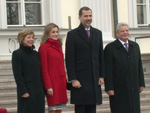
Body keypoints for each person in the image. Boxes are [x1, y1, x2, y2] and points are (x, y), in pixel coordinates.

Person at [65, 6, 105, 113]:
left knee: (92, 109)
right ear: (80, 17)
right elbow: (69, 59)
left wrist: (101, 75)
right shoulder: (72, 35)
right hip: (80, 80)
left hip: (94, 78)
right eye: (85, 16)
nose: (88, 18)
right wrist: (73, 79)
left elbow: (101, 55)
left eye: (90, 15)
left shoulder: (98, 33)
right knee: (81, 109)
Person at [104, 22, 145, 113]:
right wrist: (109, 87)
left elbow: (139, 65)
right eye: (122, 31)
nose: (125, 32)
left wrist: (141, 83)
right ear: (117, 33)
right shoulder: (110, 48)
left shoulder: (135, 46)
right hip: (118, 88)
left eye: (127, 30)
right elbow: (108, 69)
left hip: (133, 86)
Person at [12, 29, 45, 113]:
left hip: (38, 90)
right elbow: (18, 74)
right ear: (22, 39)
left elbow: (40, 72)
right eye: (28, 37)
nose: (31, 39)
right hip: (27, 90)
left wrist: (43, 89)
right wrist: (23, 91)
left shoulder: (36, 54)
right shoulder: (17, 54)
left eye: (32, 37)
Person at [39, 23, 68, 113]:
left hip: (61, 82)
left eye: (57, 32)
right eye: (53, 32)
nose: (56, 34)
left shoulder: (59, 46)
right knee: (53, 109)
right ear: (47, 34)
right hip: (52, 83)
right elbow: (44, 69)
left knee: (59, 108)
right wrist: (48, 86)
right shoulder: (44, 47)